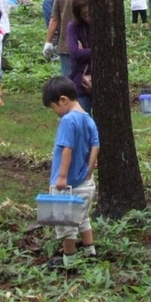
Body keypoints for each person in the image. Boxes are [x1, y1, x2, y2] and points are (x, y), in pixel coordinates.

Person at [41, 77, 101, 269]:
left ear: (63, 100)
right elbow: (95, 146)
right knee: (83, 219)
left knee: (66, 224)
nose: (56, 113)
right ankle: (90, 251)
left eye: (53, 107)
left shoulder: (68, 120)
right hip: (85, 183)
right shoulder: (88, 119)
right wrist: (89, 171)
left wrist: (61, 176)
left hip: (68, 186)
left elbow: (67, 148)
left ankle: (69, 260)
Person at [45, 0, 88, 77]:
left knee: (69, 80)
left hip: (66, 43)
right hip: (90, 45)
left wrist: (48, 42)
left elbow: (54, 18)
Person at [67, 0, 93, 114]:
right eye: (84, 14)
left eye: (90, 13)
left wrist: (85, 51)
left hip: (103, 81)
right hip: (80, 81)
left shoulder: (104, 25)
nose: (87, 17)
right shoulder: (73, 27)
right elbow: (75, 53)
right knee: (83, 118)